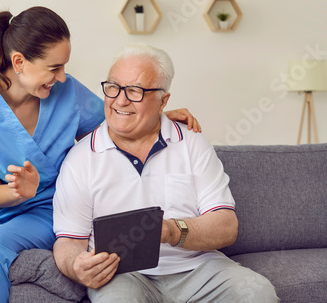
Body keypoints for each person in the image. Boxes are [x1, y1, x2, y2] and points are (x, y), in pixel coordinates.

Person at [0, 7, 200, 303]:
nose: (63, 76)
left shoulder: (68, 94)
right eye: (54, 68)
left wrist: (160, 115)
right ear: (19, 62)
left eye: (64, 66)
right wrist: (20, 190)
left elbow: (115, 128)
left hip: (43, 209)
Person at [52, 43, 279, 302]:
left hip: (198, 268)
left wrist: (172, 230)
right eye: (113, 87)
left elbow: (226, 226)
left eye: (135, 91)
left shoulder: (192, 144)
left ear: (163, 101)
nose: (120, 100)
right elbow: (68, 240)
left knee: (258, 294)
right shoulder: (81, 158)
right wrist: (76, 266)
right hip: (122, 274)